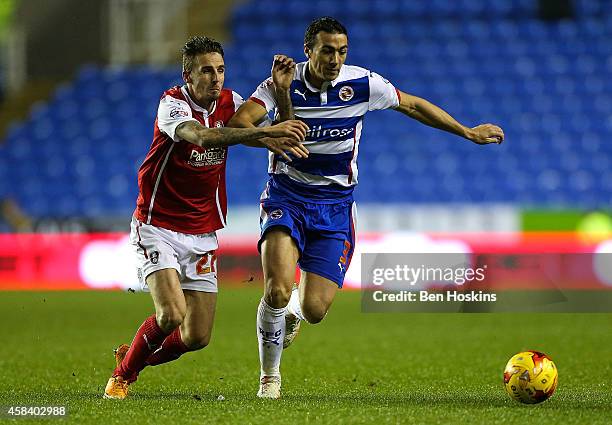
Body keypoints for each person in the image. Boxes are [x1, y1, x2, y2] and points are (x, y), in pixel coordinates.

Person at [228, 17, 505, 399]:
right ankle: (269, 378)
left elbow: (413, 105)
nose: (335, 59)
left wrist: (467, 131)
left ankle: (294, 311)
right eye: (327, 50)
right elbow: (239, 124)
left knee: (314, 310)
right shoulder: (280, 85)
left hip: (335, 205)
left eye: (342, 51)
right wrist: (269, 134)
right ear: (308, 50)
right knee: (276, 288)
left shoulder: (362, 83)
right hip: (286, 197)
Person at [103, 36, 308, 399]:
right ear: (187, 74)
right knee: (170, 315)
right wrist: (264, 132)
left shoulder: (231, 104)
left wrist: (282, 94)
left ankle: (137, 357)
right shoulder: (172, 105)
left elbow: (276, 131)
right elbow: (201, 137)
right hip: (158, 225)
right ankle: (121, 376)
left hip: (202, 231)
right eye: (206, 71)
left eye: (221, 70)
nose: (216, 78)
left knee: (197, 337)